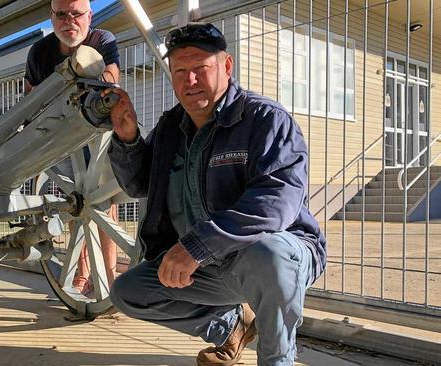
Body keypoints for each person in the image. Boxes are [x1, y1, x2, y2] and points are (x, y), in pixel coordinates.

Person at [104, 22, 327, 366]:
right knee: (128, 293)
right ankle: (231, 326)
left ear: (226, 66)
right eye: (180, 71)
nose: (189, 81)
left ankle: (278, 359)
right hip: (209, 267)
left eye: (200, 69)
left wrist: (196, 246)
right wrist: (127, 137)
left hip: (274, 255)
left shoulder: (266, 120)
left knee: (268, 255)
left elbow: (274, 205)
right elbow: (138, 186)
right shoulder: (170, 127)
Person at [25, 0, 121, 293]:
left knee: (104, 203)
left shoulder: (102, 40)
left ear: (89, 16)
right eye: (62, 14)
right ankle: (81, 272)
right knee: (75, 204)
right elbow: (29, 100)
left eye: (77, 13)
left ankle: (109, 276)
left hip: (97, 131)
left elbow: (113, 75)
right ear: (52, 17)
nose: (70, 21)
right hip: (60, 137)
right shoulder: (39, 53)